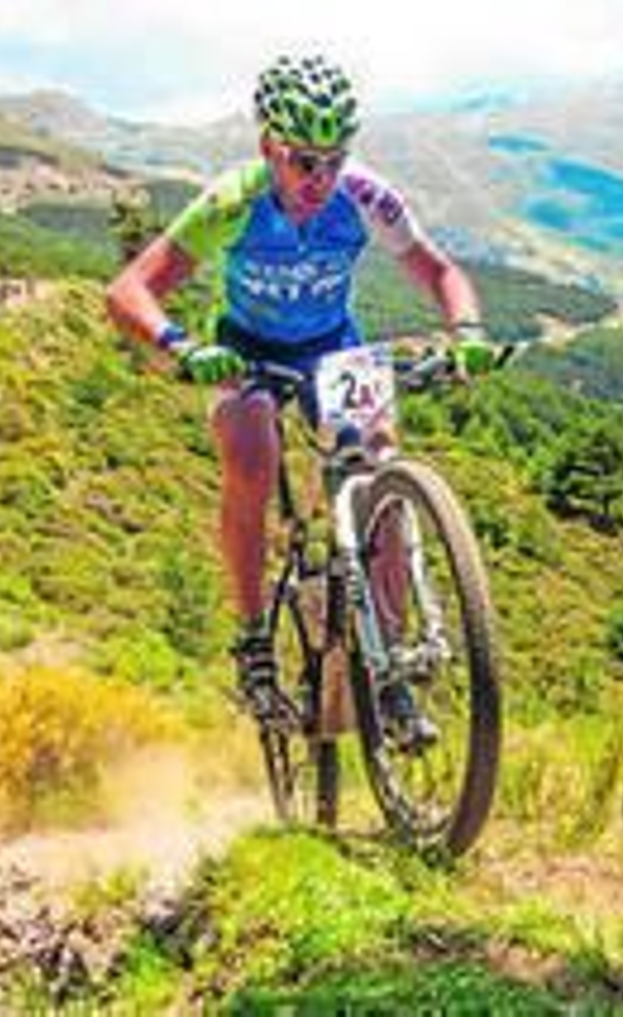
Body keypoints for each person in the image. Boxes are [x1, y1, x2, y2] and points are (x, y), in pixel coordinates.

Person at [105, 54, 498, 742]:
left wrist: (466, 331)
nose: (320, 179)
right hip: (246, 348)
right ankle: (255, 641)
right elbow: (130, 289)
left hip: (333, 347)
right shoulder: (234, 199)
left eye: (334, 160)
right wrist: (182, 345)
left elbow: (439, 271)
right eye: (302, 160)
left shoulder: (366, 196)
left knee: (380, 471)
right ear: (268, 147)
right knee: (252, 455)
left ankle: (392, 670)